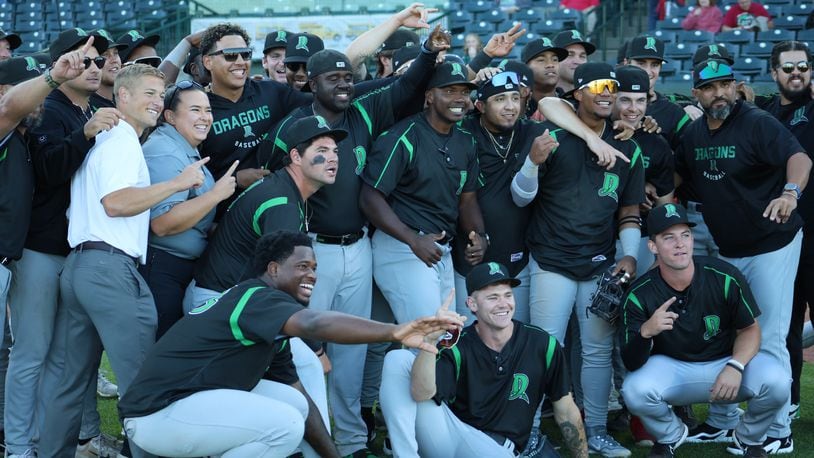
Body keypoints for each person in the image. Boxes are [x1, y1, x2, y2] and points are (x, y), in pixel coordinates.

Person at [119, 230, 466, 458]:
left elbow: (302, 397)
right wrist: (394, 332)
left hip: (179, 407)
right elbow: (314, 322)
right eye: (302, 266)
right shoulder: (257, 299)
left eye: (314, 267)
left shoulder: (268, 317)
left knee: (293, 405)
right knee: (283, 425)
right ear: (272, 269)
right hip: (156, 416)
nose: (312, 274)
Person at [262, 32, 444, 457]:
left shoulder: (362, 109)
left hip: (358, 246)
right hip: (313, 251)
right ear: (312, 82)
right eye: (333, 78)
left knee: (351, 355)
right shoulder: (294, 127)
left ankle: (352, 442)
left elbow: (406, 85)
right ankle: (313, 444)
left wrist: (430, 52)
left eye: (348, 77)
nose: (343, 84)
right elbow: (266, 175)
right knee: (309, 353)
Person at [36, 63, 208, 458]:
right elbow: (116, 204)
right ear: (123, 97)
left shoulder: (106, 140)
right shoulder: (122, 141)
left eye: (159, 95)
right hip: (109, 270)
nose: (156, 101)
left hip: (81, 268)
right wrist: (180, 183)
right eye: (148, 93)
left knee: (70, 383)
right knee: (142, 382)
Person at [675, 58, 811, 454]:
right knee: (728, 333)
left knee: (767, 336)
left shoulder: (756, 122)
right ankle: (722, 421)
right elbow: (678, 175)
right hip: (729, 248)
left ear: (735, 87)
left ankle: (779, 428)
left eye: (726, 84)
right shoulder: (695, 133)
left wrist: (790, 193)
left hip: (773, 242)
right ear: (696, 93)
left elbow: (800, 159)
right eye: (710, 87)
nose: (720, 93)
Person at [511, 62, 645, 458]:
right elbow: (521, 196)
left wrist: (631, 257)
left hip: (601, 262)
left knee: (597, 351)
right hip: (551, 259)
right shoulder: (550, 134)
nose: (607, 93)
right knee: (545, 348)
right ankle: (530, 431)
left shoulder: (629, 145)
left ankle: (598, 430)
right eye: (599, 86)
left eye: (613, 87)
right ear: (580, 92)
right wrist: (532, 162)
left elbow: (630, 211)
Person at [620, 203, 789, 458]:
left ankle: (748, 438)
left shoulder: (723, 276)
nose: (680, 244)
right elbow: (631, 362)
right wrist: (646, 331)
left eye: (685, 235)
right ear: (653, 246)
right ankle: (670, 436)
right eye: (669, 237)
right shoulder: (639, 293)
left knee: (778, 381)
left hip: (725, 364)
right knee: (633, 389)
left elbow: (750, 330)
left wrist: (736, 366)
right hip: (674, 370)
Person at [18, 29, 117, 457]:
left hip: (77, 248)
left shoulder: (95, 106)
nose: (96, 67)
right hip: (42, 247)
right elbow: (48, 171)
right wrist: (88, 133)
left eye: (100, 60)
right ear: (62, 64)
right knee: (32, 354)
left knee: (65, 358)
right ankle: (20, 445)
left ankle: (56, 441)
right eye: (86, 60)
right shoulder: (49, 108)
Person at [380, 262, 589, 458]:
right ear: (472, 304)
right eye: (493, 297)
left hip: (499, 450)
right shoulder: (457, 345)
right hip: (454, 437)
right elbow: (421, 393)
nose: (503, 304)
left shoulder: (542, 344)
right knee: (397, 358)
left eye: (508, 295)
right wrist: (430, 342)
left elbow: (566, 409)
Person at [0, 49, 84, 458]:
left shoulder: (26, 135)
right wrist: (52, 78)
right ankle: (18, 446)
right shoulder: (3, 127)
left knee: (52, 355)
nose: (39, 100)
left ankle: (37, 442)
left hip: (38, 254)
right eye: (27, 89)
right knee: (30, 353)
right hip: (26, 255)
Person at [360, 62, 487, 324]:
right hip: (402, 247)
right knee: (430, 337)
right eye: (449, 91)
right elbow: (370, 198)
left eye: (464, 92)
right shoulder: (402, 136)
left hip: (440, 249)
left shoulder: (466, 140)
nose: (459, 99)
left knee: (446, 336)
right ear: (429, 96)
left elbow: (468, 198)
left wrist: (479, 234)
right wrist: (412, 240)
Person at [138, 81, 238, 339]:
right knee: (161, 354)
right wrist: (216, 195)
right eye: (195, 110)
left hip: (179, 268)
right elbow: (162, 223)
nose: (205, 117)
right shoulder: (165, 151)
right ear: (170, 116)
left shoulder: (184, 148)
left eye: (207, 110)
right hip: (162, 268)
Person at [761, 41, 814, 424]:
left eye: (803, 67)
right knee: (786, 324)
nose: (796, 73)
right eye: (788, 67)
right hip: (782, 237)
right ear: (774, 72)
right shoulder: (762, 114)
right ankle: (791, 399)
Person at [197, 23, 310, 192]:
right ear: (208, 61)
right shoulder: (198, 108)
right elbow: (192, 174)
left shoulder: (272, 91)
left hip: (278, 201)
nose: (241, 62)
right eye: (230, 55)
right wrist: (235, 179)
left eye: (245, 54)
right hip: (224, 212)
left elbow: (323, 101)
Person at [625, 35, 690, 151]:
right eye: (641, 63)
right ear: (627, 63)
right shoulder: (610, 105)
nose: (648, 71)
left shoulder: (674, 112)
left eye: (654, 65)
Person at [521, 37, 568, 117]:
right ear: (526, 68)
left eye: (555, 59)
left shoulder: (572, 104)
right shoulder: (518, 106)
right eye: (541, 60)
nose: (550, 65)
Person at [90, 29, 128, 108]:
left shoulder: (125, 99)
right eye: (105, 54)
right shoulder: (86, 105)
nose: (114, 60)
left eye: (116, 53)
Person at [553, 29, 595, 94]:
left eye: (582, 56)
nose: (577, 62)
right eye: (570, 55)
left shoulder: (595, 98)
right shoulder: (539, 98)